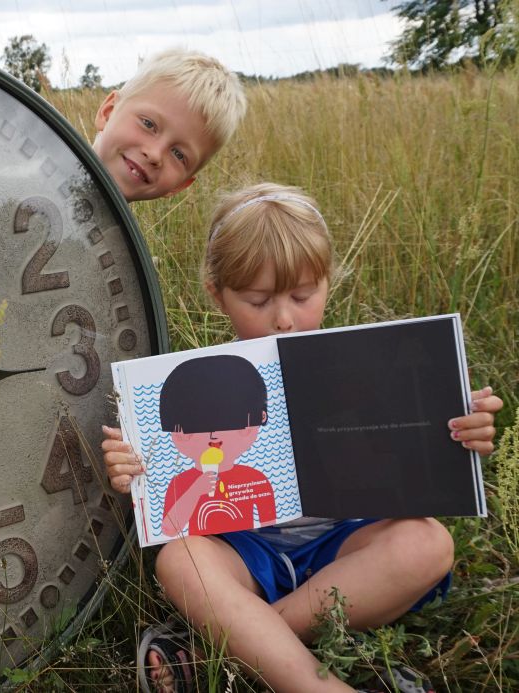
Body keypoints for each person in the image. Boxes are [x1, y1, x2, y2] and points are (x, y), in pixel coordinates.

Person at [101, 183, 504, 692]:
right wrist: (133, 466)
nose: (285, 319)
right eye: (257, 300)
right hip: (244, 553)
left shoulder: (371, 364)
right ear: (217, 292)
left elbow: (416, 461)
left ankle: (230, 645)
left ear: (327, 282)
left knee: (429, 543)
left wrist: (460, 431)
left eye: (302, 295)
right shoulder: (195, 384)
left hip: (345, 548)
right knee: (180, 561)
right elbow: (172, 494)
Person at [90, 47, 247, 203]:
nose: (155, 154)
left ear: (179, 185)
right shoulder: (64, 154)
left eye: (178, 154)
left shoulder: (119, 228)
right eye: (148, 124)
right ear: (108, 112)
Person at [156, 354, 276, 536]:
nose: (214, 437)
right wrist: (195, 491)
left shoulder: (256, 479)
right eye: (195, 425)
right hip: (204, 549)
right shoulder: (180, 483)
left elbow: (271, 525)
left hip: (253, 548)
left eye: (232, 421)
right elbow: (169, 529)